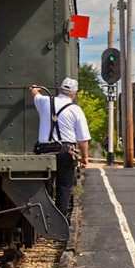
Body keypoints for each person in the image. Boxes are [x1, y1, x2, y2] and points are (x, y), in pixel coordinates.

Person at [30, 77, 90, 214]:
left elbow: (35, 95)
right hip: (65, 150)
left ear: (60, 90)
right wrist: (85, 157)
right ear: (74, 94)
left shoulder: (45, 101)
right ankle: (60, 219)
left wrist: (34, 89)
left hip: (44, 149)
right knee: (64, 186)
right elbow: (83, 138)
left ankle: (44, 214)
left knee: (44, 185)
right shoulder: (76, 110)